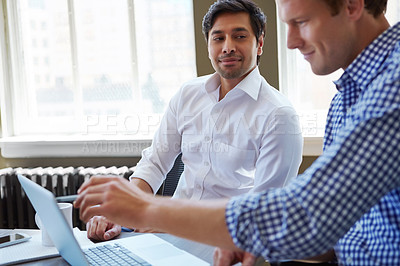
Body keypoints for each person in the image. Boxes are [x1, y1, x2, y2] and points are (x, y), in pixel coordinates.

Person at [76, 0, 400, 265]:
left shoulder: (390, 86)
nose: (290, 42)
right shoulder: (348, 95)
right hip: (191, 237)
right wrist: (248, 240)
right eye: (218, 38)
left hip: (209, 236)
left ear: (353, 5)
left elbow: (303, 214)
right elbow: (332, 230)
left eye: (300, 22)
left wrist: (145, 210)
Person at [85, 0, 303, 242]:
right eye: (218, 38)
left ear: (259, 43)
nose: (228, 47)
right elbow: (155, 163)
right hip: (166, 231)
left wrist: (168, 220)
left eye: (240, 36)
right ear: (208, 45)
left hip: (225, 242)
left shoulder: (279, 115)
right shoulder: (188, 94)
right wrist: (122, 212)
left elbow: (264, 213)